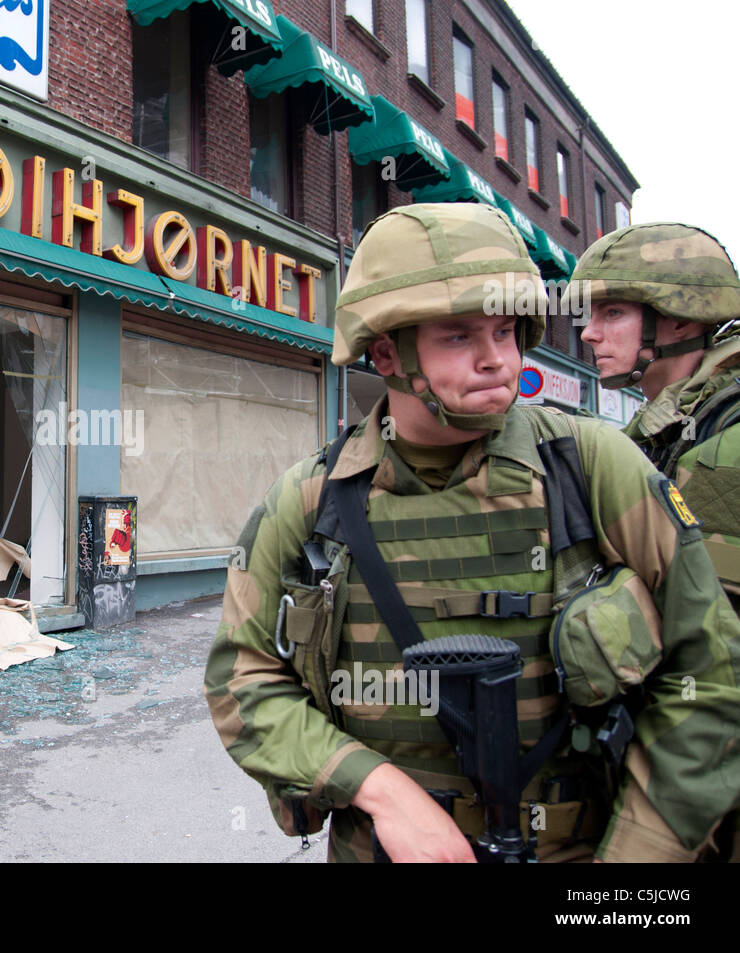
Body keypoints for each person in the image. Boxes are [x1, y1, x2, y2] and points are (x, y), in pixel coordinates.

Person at [204, 203, 740, 862]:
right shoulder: (311, 498)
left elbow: (711, 673)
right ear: (385, 352)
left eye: (507, 331)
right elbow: (242, 677)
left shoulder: (592, 466)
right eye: (459, 336)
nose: (498, 360)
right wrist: (374, 785)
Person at [571, 221, 740, 860]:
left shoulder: (721, 447)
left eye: (612, 313)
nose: (588, 332)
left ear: (674, 321)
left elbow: (714, 660)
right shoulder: (678, 425)